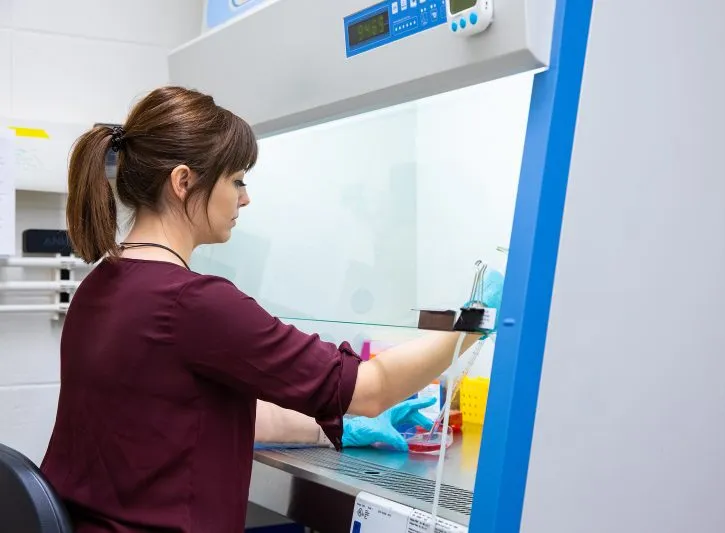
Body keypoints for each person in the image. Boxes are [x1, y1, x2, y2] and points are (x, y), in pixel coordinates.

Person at [40, 86, 502, 533]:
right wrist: (474, 322)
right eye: (236, 180)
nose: (245, 198)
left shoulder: (100, 285)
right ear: (183, 182)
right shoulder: (194, 303)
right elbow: (372, 388)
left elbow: (197, 412)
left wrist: (332, 429)